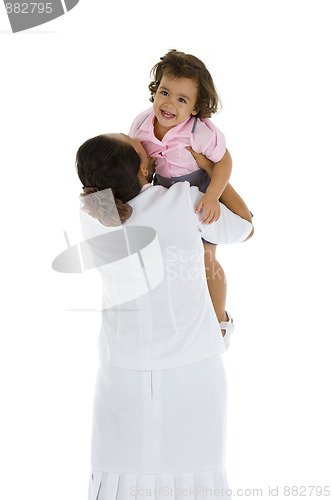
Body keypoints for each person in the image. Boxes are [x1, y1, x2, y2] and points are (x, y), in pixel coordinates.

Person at [76, 133, 253, 499]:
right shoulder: (182, 203)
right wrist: (211, 174)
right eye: (141, 146)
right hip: (192, 364)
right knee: (195, 472)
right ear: (143, 168)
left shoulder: (92, 217)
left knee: (119, 475)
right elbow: (244, 227)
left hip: (121, 368)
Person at [129, 49, 248, 339]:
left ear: (195, 107)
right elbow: (142, 160)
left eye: (182, 100)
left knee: (207, 257)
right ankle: (175, 317)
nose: (169, 104)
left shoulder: (200, 132)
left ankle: (220, 321)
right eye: (165, 92)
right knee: (176, 258)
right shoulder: (142, 125)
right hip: (166, 190)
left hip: (200, 187)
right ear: (155, 91)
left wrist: (212, 196)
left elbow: (224, 162)